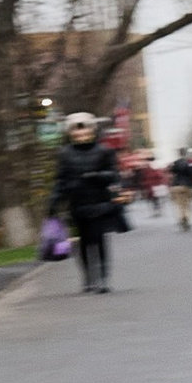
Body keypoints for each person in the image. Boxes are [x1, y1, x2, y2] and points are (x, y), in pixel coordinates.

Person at [50, 113, 125, 296]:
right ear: (71, 133)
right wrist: (54, 201)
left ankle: (103, 279)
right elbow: (61, 180)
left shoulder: (104, 151)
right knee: (83, 244)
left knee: (99, 241)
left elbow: (114, 175)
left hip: (100, 203)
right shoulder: (65, 154)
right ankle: (89, 278)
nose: (82, 134)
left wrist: (98, 176)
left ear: (92, 130)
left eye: (85, 130)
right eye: (77, 131)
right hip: (77, 205)